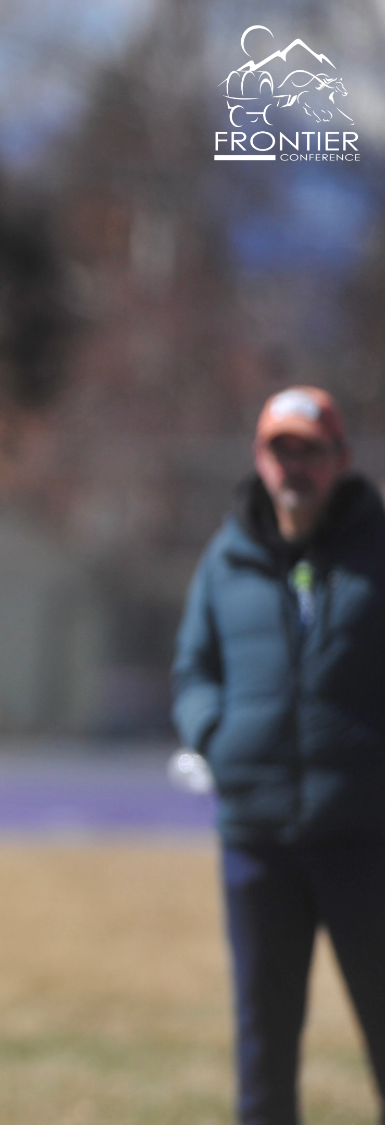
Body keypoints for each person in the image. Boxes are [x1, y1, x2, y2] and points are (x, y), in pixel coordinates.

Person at [173, 386, 385, 1125]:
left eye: (310, 449)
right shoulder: (226, 559)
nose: (294, 465)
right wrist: (216, 738)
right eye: (280, 449)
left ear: (341, 460)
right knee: (263, 1041)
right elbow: (193, 669)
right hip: (257, 839)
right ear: (259, 458)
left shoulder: (376, 552)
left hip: (363, 837)